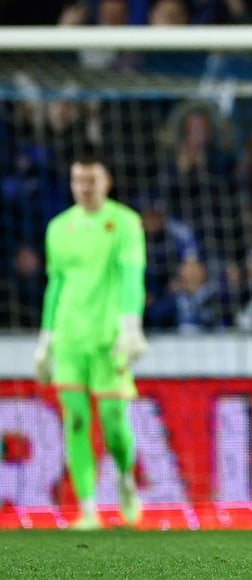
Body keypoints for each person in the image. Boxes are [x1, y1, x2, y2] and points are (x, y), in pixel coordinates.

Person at [32, 152, 148, 530]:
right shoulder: (58, 228)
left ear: (107, 181)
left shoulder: (126, 223)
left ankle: (126, 480)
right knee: (76, 420)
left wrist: (131, 327)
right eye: (77, 180)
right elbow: (56, 285)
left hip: (109, 340)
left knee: (114, 423)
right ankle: (87, 509)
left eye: (91, 179)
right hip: (69, 338)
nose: (84, 187)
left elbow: (132, 276)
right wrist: (45, 340)